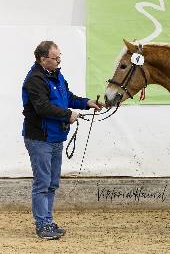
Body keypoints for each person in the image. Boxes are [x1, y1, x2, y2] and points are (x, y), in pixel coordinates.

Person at [22, 41, 104, 240]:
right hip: (40, 139)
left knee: (52, 183)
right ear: (43, 59)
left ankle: (48, 221)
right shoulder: (35, 79)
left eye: (59, 57)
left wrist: (86, 103)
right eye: (55, 58)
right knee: (42, 183)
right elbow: (42, 107)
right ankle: (42, 225)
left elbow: (67, 97)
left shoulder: (56, 76)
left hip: (56, 138)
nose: (59, 61)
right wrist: (68, 115)